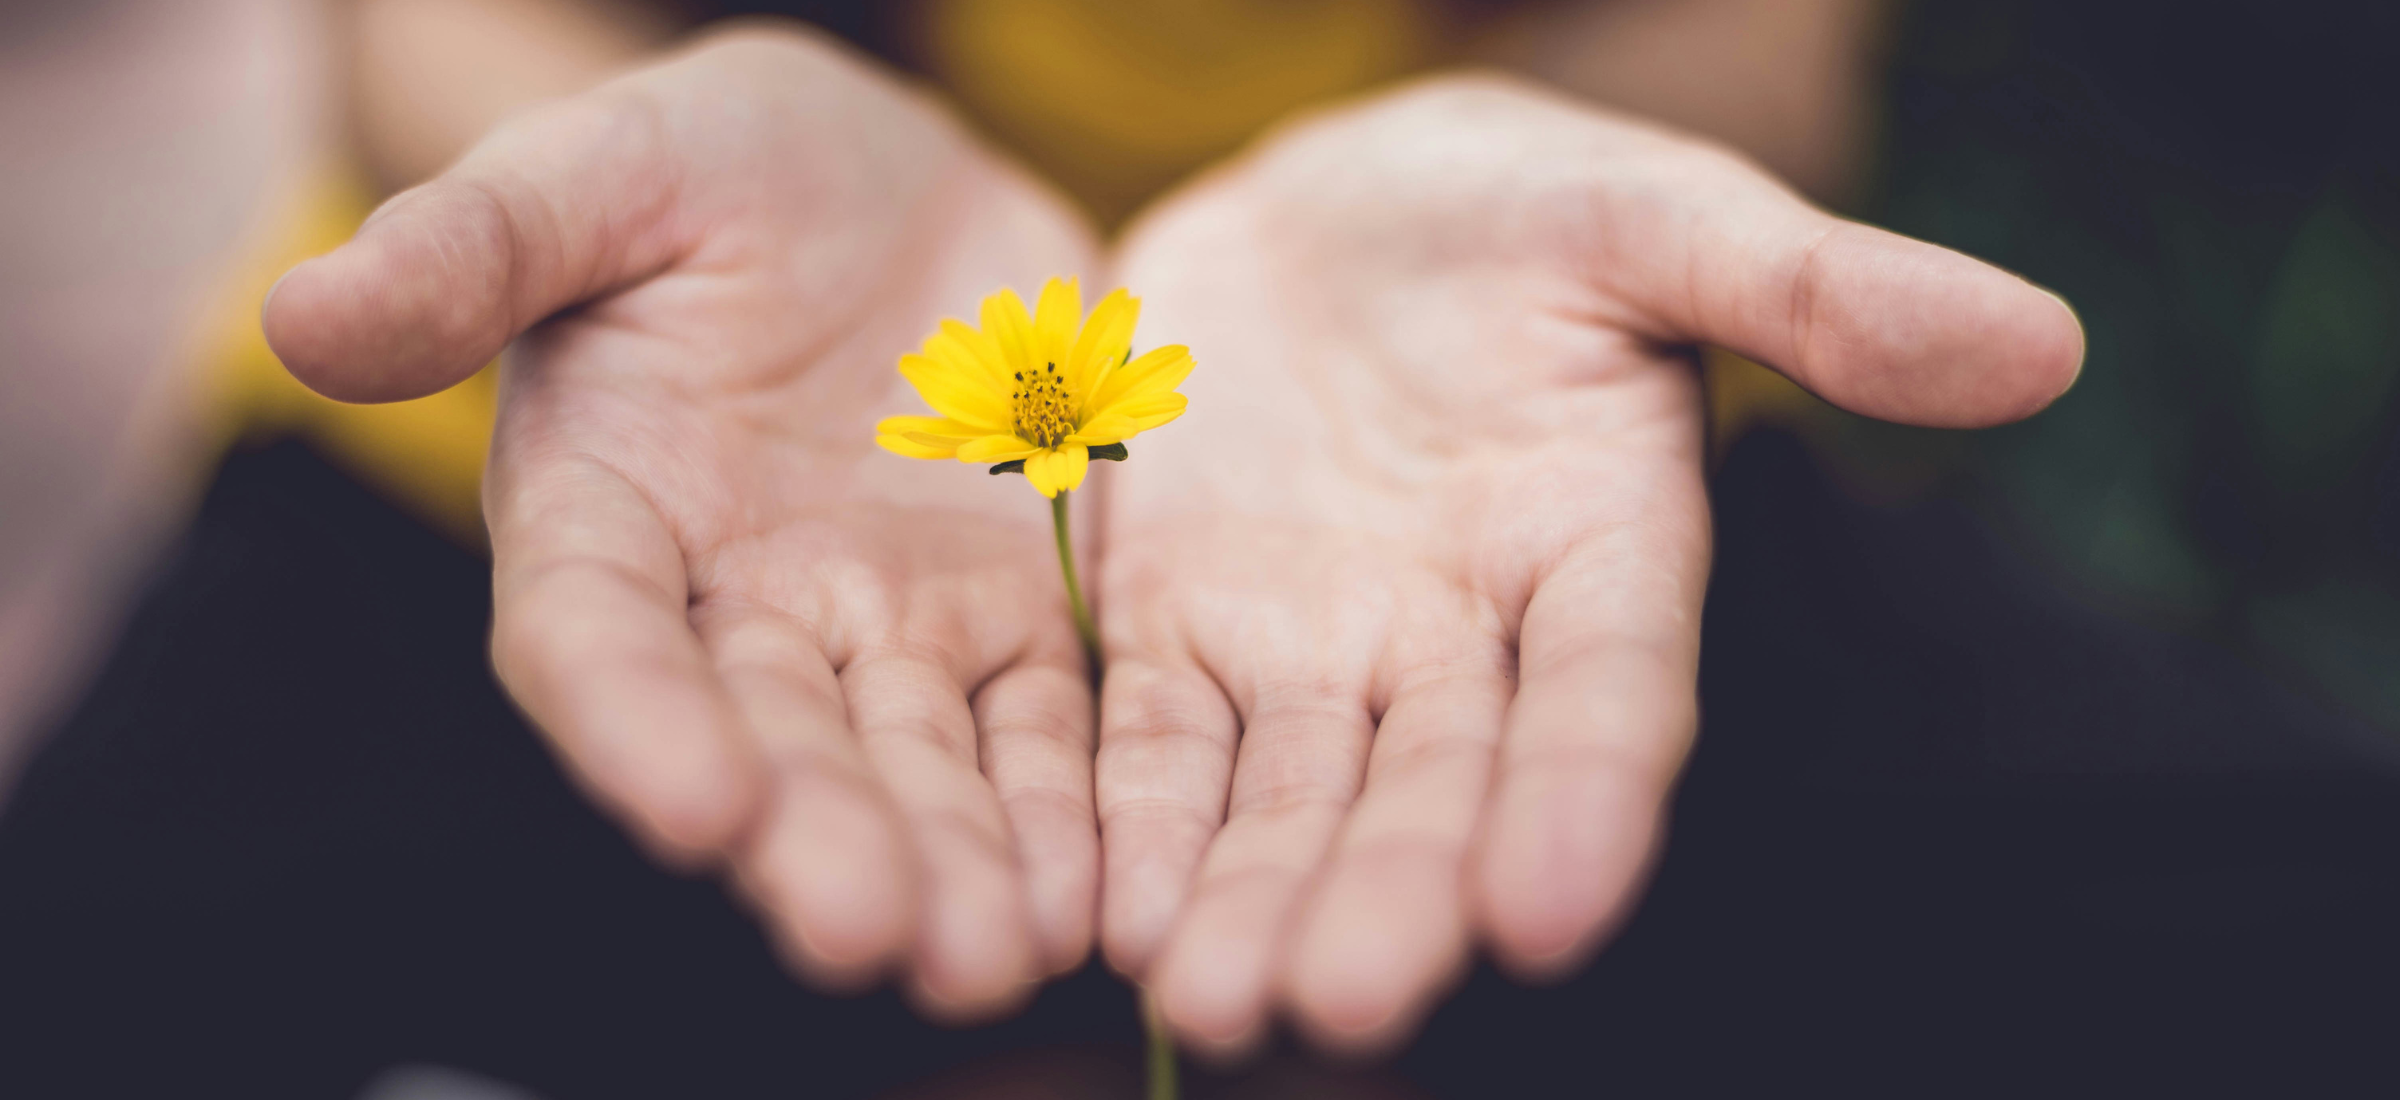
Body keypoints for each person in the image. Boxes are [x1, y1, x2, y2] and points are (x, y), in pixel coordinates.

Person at [258, 14, 2079, 1059]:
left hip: (1506, 462)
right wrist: (581, 178)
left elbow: (1741, 37)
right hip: (653, 446)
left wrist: (1563, 165)